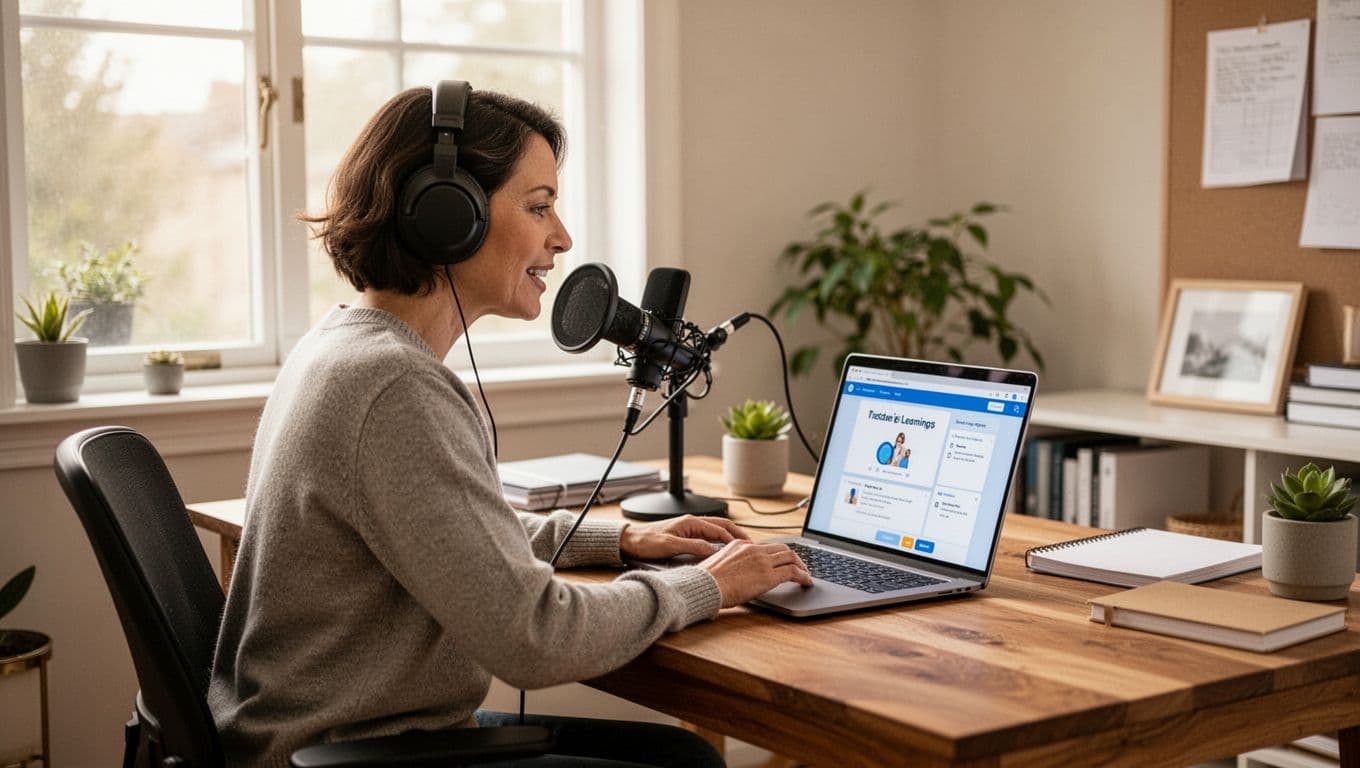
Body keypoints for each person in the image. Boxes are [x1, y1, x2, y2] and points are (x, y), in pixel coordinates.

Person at [207, 83, 812, 767]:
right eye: (540, 206)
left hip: (338, 739)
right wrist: (712, 585)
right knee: (688, 763)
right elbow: (534, 636)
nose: (563, 237)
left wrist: (622, 540)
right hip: (355, 750)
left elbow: (449, 530)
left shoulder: (345, 347)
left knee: (676, 755)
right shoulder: (394, 387)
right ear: (447, 216)